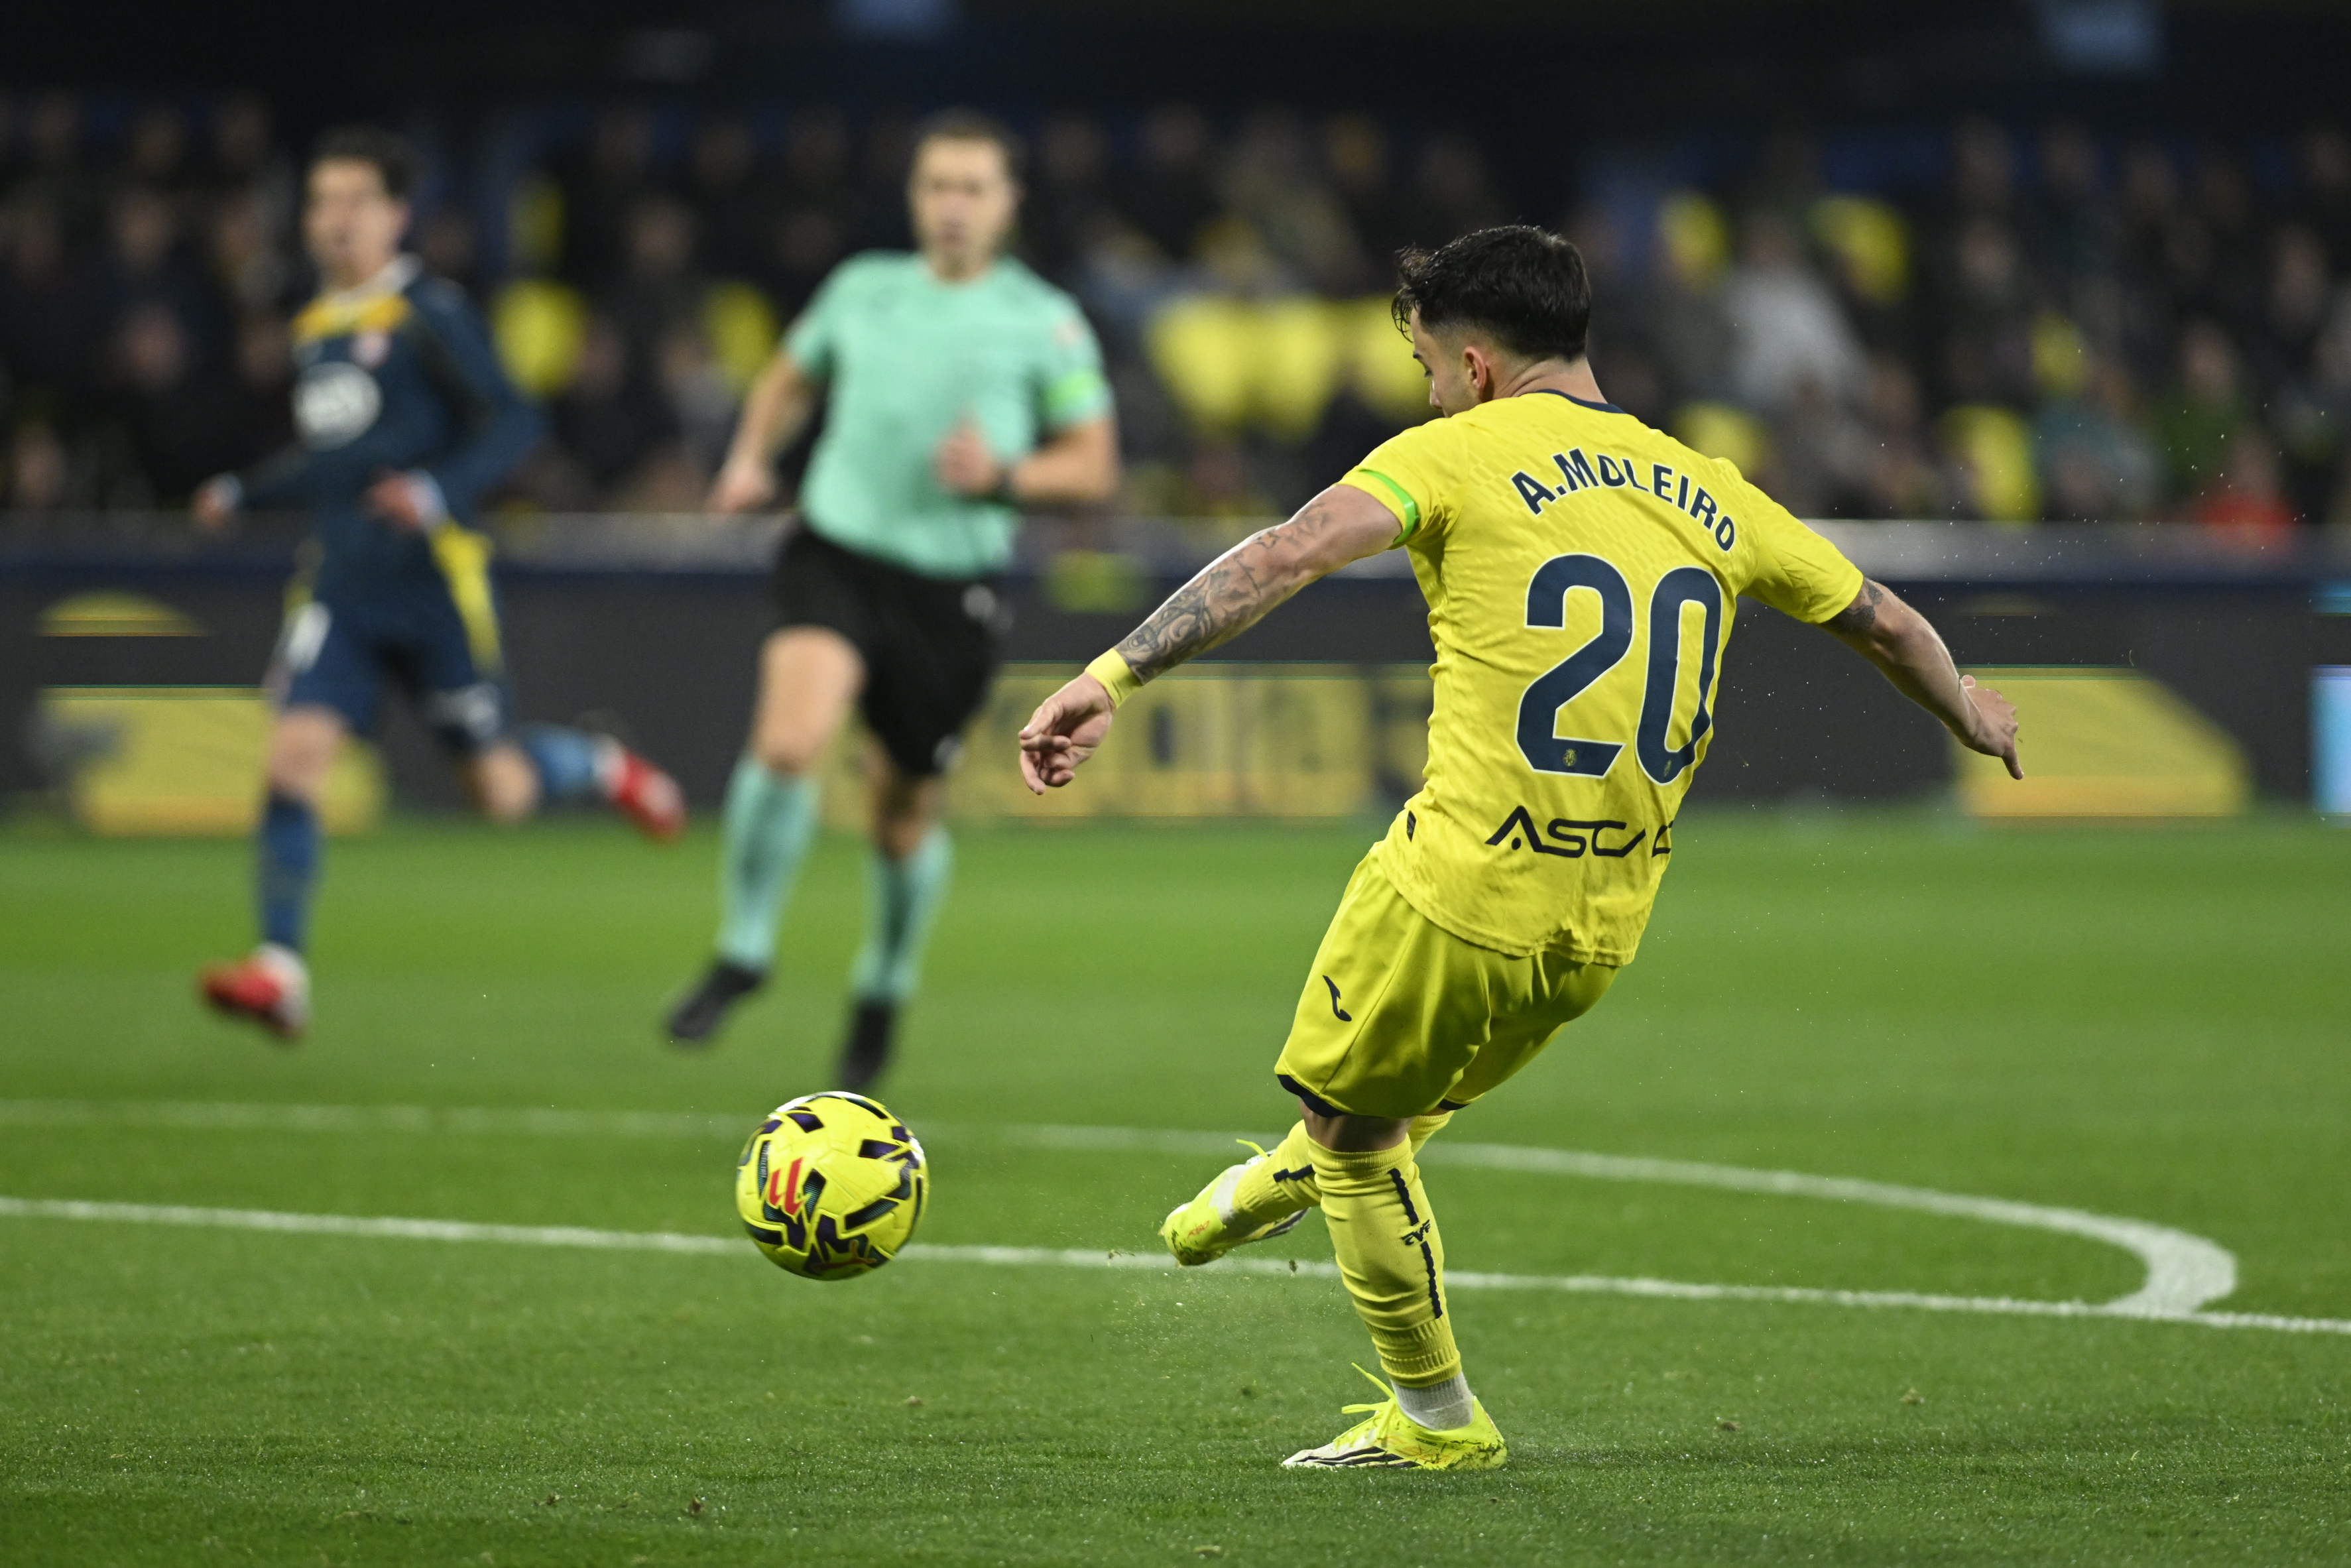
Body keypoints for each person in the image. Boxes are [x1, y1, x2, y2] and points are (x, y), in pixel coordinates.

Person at [1018, 226, 2021, 1471]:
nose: (1432, 392)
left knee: (1356, 1136)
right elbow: (1885, 622)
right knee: (1390, 1101)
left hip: (1460, 886)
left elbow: (1285, 553)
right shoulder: (1708, 483)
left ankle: (1436, 1420)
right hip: (1603, 922)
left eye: (1431, 367)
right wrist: (1967, 711)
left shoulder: (1453, 453)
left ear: (1478, 364)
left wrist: (1111, 674)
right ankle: (1250, 1197)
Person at [194, 127, 685, 1042]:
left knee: (500, 794)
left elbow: (515, 420)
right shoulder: (317, 326)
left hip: (431, 586)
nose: (334, 219)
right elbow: (335, 459)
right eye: (321, 201)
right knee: (292, 758)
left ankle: (601, 764)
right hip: (343, 584)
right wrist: (243, 492)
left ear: (396, 215)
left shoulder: (429, 311)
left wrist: (435, 491)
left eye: (354, 201)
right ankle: (280, 970)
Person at [664, 111, 1118, 1089]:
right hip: (836, 550)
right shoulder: (861, 289)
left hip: (948, 587)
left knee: (900, 814)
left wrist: (1004, 476)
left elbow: (1092, 465)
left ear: (1007, 203)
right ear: (914, 197)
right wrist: (749, 458)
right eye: (936, 185)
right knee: (789, 742)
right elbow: (788, 377)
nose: (952, 205)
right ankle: (744, 947)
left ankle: (882, 983)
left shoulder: (1043, 320)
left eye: (972, 188)